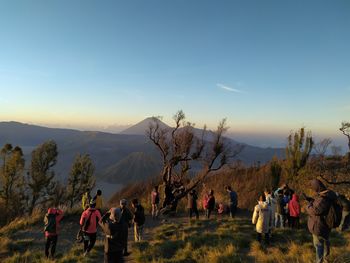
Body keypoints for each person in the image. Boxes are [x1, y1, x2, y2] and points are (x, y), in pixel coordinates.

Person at [305, 179, 337, 263]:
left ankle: (319, 261)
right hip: (326, 224)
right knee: (326, 241)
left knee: (319, 244)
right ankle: (326, 259)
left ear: (316, 187)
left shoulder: (323, 197)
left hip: (319, 226)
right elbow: (320, 206)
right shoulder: (329, 194)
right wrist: (311, 200)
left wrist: (308, 205)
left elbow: (315, 210)